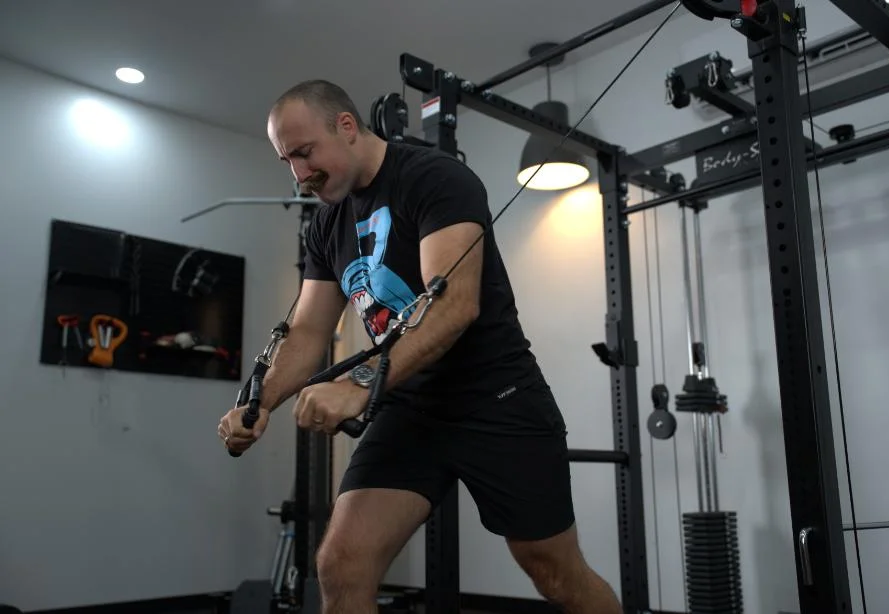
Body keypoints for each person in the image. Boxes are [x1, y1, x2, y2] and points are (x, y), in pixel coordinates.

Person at [217, 79, 623, 614]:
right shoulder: (328, 226)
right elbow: (309, 330)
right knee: (342, 563)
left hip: (495, 398)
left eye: (304, 152)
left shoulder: (435, 178)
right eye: (286, 159)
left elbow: (453, 307)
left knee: (556, 574)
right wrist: (259, 401)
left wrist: (359, 385)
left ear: (345, 126)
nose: (298, 173)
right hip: (409, 405)